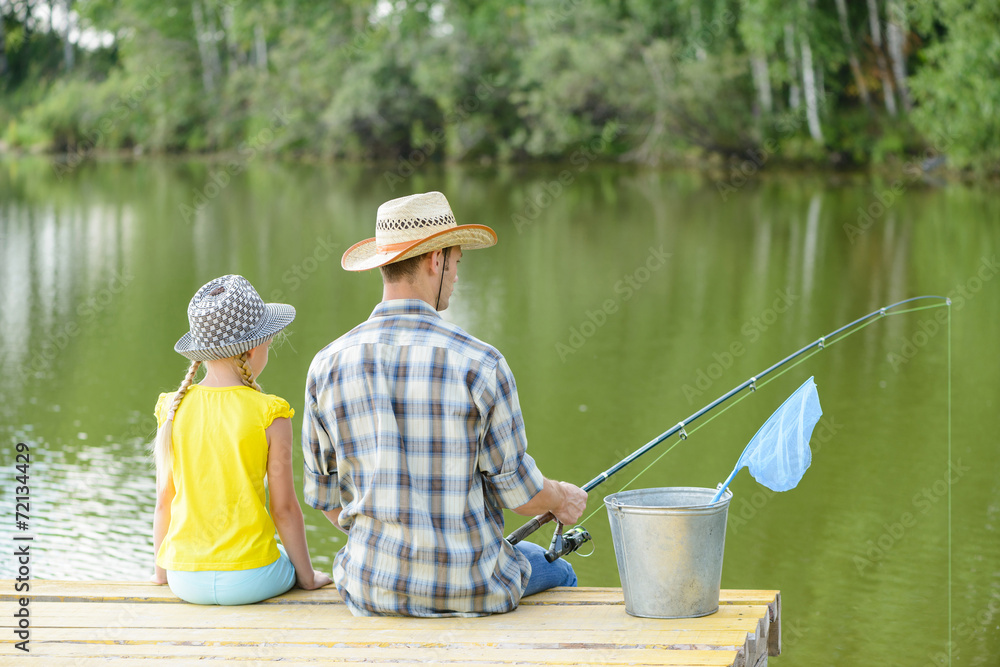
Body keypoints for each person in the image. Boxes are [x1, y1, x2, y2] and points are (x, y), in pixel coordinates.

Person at [302, 191, 588, 617]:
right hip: (473, 589)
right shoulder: (480, 364)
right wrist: (561, 497)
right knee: (560, 573)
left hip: (369, 588)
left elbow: (326, 499)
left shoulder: (326, 365)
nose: (455, 277)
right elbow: (521, 495)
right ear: (435, 260)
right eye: (456, 262)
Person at [151, 274, 332, 605]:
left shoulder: (172, 408)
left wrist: (162, 574)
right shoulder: (270, 413)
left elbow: (165, 499)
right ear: (252, 350)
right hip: (250, 580)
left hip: (184, 580)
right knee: (278, 554)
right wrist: (307, 578)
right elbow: (285, 509)